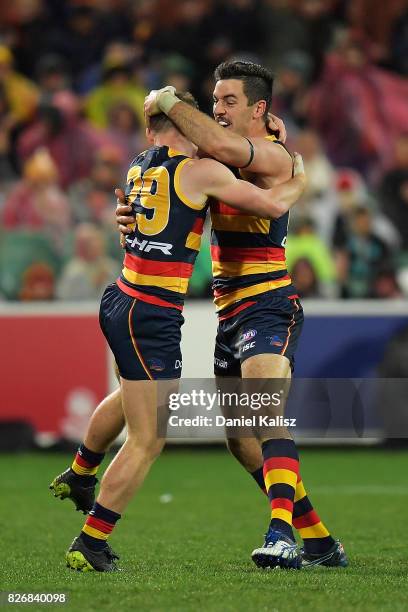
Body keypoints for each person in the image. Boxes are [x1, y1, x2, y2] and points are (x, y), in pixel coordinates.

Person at [53, 90, 306, 572]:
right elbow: (271, 206)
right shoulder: (201, 171)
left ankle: (82, 471)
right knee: (149, 437)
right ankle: (91, 540)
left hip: (119, 296)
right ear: (189, 124)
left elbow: (137, 214)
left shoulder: (138, 165)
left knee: (137, 397)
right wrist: (299, 176)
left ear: (150, 131)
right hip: (152, 310)